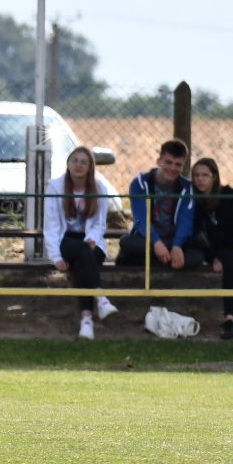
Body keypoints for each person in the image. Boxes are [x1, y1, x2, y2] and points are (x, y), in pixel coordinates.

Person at [44, 146, 118, 340]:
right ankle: (100, 299)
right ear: (67, 164)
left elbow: (99, 223)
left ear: (90, 167)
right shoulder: (56, 187)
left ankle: (86, 321)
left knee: (84, 260)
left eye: (84, 162)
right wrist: (55, 256)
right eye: (74, 160)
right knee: (84, 254)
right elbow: (51, 225)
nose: (78, 165)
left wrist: (91, 239)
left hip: (91, 241)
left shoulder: (99, 187)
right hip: (65, 241)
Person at [191, 158, 233, 339]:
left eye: (205, 175)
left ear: (214, 177)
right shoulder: (195, 203)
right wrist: (212, 257)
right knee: (229, 263)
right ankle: (229, 320)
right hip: (221, 250)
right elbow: (199, 236)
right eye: (196, 175)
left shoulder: (230, 196)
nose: (200, 180)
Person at [115, 139, 204, 270]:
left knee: (198, 255)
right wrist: (156, 242)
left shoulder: (187, 188)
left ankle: (148, 262)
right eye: (168, 162)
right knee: (126, 242)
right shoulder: (139, 183)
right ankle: (170, 263)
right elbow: (140, 219)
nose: (173, 168)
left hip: (173, 241)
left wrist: (177, 246)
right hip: (148, 241)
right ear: (159, 161)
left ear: (183, 166)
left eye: (178, 164)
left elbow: (186, 220)